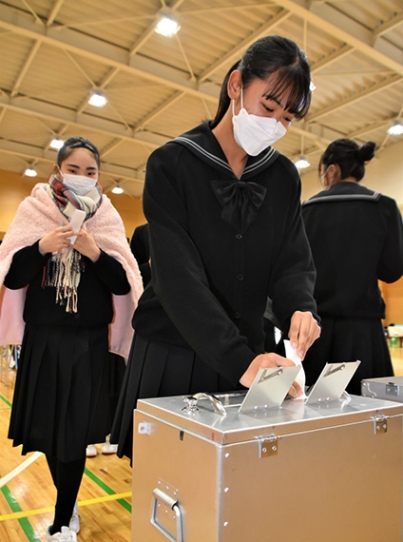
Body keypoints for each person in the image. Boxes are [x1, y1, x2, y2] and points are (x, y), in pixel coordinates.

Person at [111, 35, 321, 461]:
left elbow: (291, 261)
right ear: (235, 86)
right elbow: (177, 278)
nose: (275, 124)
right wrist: (240, 359)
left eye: (287, 119)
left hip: (248, 356)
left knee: (240, 492)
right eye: (268, 106)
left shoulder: (282, 177)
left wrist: (300, 307)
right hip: (176, 352)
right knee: (170, 489)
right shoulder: (172, 163)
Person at [0, 137, 143, 542]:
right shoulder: (35, 211)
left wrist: (94, 252)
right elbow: (13, 274)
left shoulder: (108, 218)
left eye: (91, 171)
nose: (82, 177)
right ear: (58, 171)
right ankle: (67, 507)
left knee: (78, 434)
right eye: (74, 169)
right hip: (44, 342)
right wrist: (42, 246)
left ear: (100, 176)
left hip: (87, 345)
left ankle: (61, 526)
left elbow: (122, 284)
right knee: (50, 433)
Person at [301, 138, 403, 394]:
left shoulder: (306, 210)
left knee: (314, 416)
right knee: (371, 416)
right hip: (365, 335)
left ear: (331, 169)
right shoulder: (384, 206)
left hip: (317, 333)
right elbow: (392, 271)